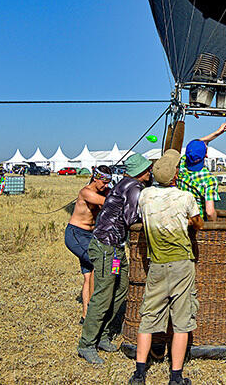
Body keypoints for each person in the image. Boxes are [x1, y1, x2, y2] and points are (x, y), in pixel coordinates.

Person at [128, 149, 203, 385]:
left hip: (156, 263)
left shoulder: (145, 196)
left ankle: (139, 373)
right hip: (181, 263)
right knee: (181, 321)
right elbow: (198, 223)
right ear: (175, 176)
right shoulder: (185, 198)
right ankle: (176, 376)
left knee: (148, 316)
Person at [78, 155, 152, 365]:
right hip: (106, 248)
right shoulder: (134, 187)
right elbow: (131, 218)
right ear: (140, 171)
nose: (150, 172)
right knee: (103, 294)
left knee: (120, 289)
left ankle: (102, 334)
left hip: (115, 249)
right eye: (147, 169)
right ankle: (86, 343)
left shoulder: (126, 184)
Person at [65, 165, 111, 325]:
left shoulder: (100, 190)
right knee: (99, 264)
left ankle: (85, 315)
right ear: (95, 178)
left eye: (108, 183)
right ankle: (93, 310)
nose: (106, 186)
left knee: (88, 275)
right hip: (76, 234)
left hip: (90, 236)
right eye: (104, 183)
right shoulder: (86, 192)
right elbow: (107, 202)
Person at [177, 121, 226, 221]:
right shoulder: (208, 179)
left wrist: (217, 132)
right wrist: (214, 225)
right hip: (197, 223)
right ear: (206, 155)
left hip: (181, 219)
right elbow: (209, 212)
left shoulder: (182, 165)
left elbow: (195, 145)